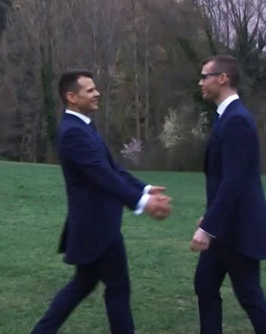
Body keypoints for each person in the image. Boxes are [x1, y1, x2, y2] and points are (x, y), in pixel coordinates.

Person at [31, 70, 172, 334]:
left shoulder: (84, 126)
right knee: (116, 287)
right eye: (90, 90)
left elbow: (112, 167)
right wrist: (141, 203)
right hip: (95, 228)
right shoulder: (72, 133)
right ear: (71, 97)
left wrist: (145, 189)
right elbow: (102, 175)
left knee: (83, 285)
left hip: (97, 226)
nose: (97, 93)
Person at [190, 55, 266, 334]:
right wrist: (212, 218)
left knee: (250, 296)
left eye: (205, 76)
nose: (200, 82)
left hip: (239, 230)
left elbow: (235, 181)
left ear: (223, 78)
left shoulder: (236, 120)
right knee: (205, 284)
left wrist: (207, 228)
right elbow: (225, 180)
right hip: (224, 228)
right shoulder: (225, 117)